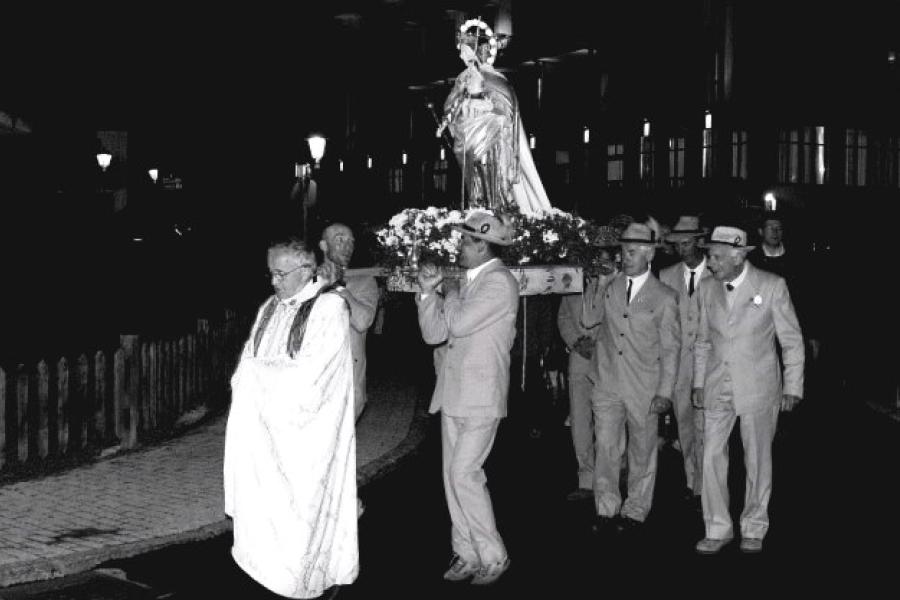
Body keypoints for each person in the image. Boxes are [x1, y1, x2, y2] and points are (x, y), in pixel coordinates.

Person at [223, 237, 358, 598]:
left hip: (307, 436)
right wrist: (251, 380)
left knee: (303, 519)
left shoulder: (329, 308)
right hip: (266, 435)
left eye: (280, 273)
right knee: (266, 513)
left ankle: (310, 581)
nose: (273, 282)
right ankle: (270, 578)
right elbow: (248, 360)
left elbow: (316, 376)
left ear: (306, 270)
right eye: (270, 273)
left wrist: (256, 378)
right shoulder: (269, 306)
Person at [416, 211, 518, 586]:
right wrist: (428, 293)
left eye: (465, 241)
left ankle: (495, 556)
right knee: (451, 477)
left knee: (465, 474)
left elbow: (457, 323)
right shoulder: (468, 283)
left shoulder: (498, 283)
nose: (459, 247)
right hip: (454, 393)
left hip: (482, 395)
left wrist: (451, 291)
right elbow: (434, 334)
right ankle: (467, 552)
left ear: (481, 245)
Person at [692, 226, 804, 555]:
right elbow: (701, 341)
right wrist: (698, 382)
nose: (709, 262)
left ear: (738, 255)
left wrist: (794, 386)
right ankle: (717, 528)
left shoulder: (772, 286)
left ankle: (754, 526)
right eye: (709, 255)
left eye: (714, 256)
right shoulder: (706, 288)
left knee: (757, 459)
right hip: (716, 385)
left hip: (758, 386)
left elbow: (792, 340)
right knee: (711, 455)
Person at [582, 222, 681, 534]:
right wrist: (599, 286)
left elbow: (671, 348)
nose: (627, 256)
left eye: (634, 251)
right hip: (608, 381)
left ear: (649, 253)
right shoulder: (610, 285)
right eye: (624, 250)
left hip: (645, 386)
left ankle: (636, 509)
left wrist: (665, 391)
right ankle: (606, 507)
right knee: (607, 448)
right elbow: (589, 320)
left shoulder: (664, 296)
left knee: (642, 451)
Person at [440, 24, 551, 215]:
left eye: (464, 51)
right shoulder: (462, 78)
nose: (461, 56)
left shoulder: (493, 78)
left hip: (492, 136)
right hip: (468, 133)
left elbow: (506, 107)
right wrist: (450, 115)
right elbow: (451, 103)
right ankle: (477, 205)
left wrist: (488, 107)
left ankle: (496, 208)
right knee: (471, 170)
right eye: (460, 52)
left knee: (488, 168)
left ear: (477, 50)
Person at [557, 241, 619, 501]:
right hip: (580, 358)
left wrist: (599, 344)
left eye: (602, 258)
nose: (597, 264)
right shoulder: (574, 283)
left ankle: (613, 472)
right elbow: (563, 318)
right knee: (580, 419)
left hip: (608, 359)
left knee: (609, 420)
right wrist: (576, 342)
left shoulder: (619, 284)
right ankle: (585, 476)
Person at [659, 215, 712, 508]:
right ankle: (692, 481)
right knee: (686, 428)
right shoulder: (666, 276)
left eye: (687, 243)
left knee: (708, 428)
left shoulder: (716, 275)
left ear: (700, 242)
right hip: (678, 368)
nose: (682, 249)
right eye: (677, 244)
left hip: (710, 367)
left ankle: (707, 487)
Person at [319, 222, 380, 421]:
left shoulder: (364, 282)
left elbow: (363, 322)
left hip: (346, 388)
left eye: (351, 242)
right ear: (324, 246)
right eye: (340, 240)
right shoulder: (305, 280)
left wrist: (339, 290)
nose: (348, 246)